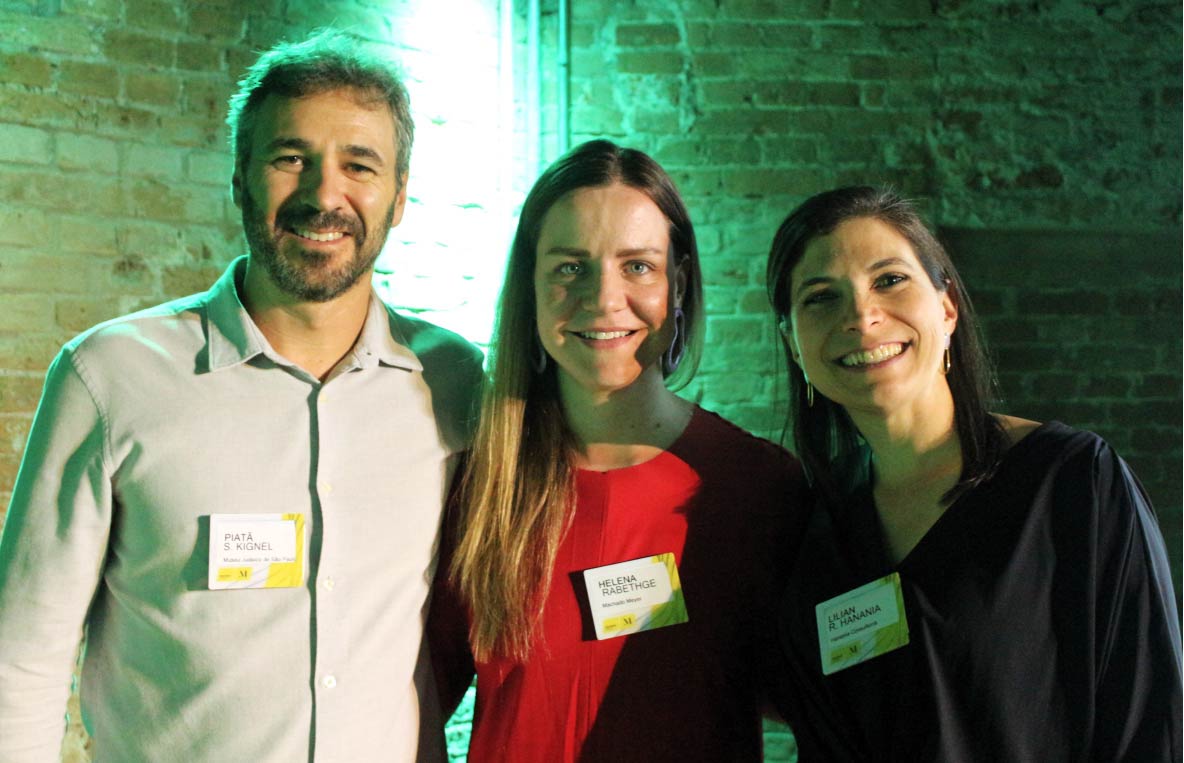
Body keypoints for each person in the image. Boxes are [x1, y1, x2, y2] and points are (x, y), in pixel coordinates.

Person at [0, 30, 482, 762]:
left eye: (359, 166)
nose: (324, 195)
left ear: (399, 196)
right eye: (291, 158)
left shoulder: (453, 380)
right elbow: (21, 657)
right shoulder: (110, 377)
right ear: (239, 179)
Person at [764, 185, 1182, 761]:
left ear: (947, 307)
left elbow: (1147, 722)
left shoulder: (1069, 481)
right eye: (820, 298)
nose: (861, 316)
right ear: (792, 343)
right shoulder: (821, 527)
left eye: (889, 280)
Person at [428, 139, 806, 761]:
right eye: (569, 267)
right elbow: (413, 698)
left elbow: (826, 696)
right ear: (530, 285)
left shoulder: (758, 488)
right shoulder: (478, 485)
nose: (604, 299)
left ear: (678, 284)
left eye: (637, 267)